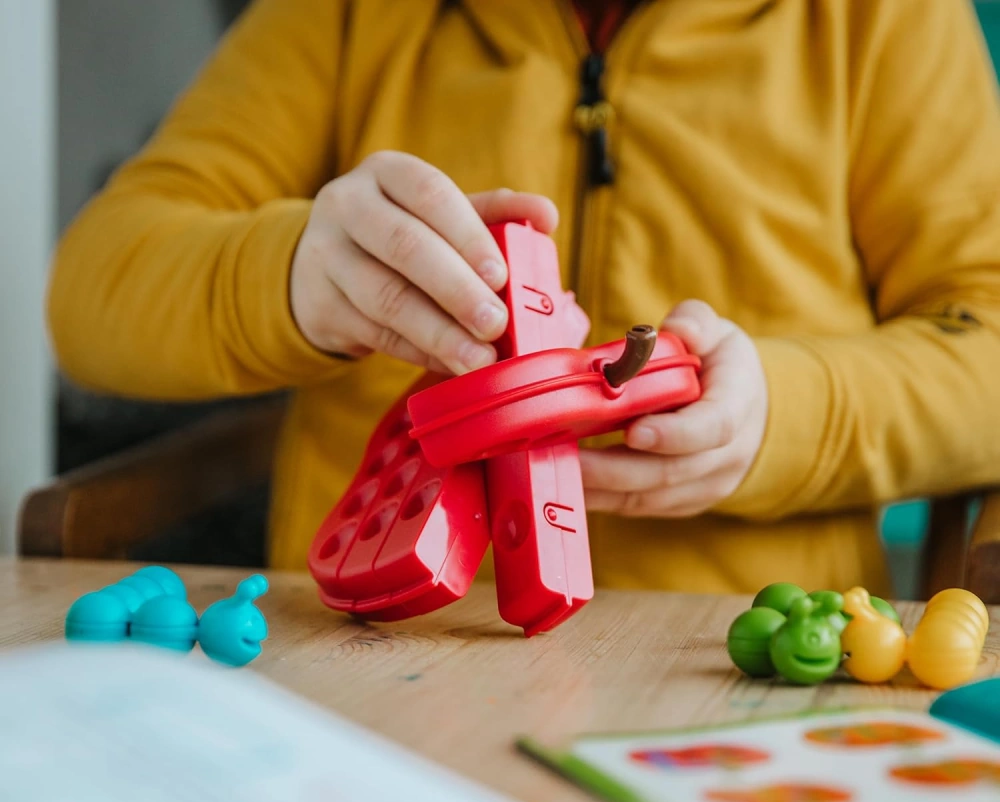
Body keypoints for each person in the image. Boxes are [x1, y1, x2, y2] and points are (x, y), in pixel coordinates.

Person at [47, 0, 1000, 596]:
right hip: (363, 650)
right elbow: (95, 289)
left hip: (727, 663)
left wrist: (781, 417)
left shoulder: (885, 19)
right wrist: (292, 276)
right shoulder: (346, 14)